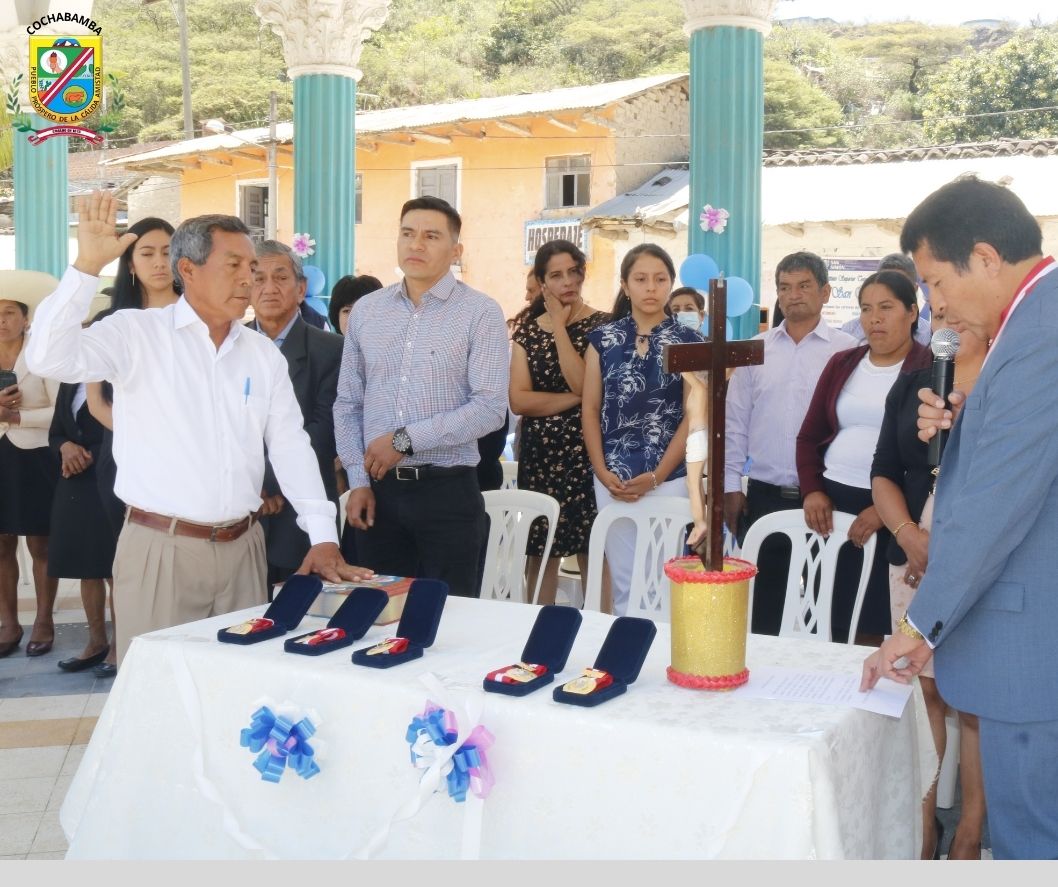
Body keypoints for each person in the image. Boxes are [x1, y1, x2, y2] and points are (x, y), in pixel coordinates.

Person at [26, 191, 371, 665]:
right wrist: (85, 268)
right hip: (161, 551)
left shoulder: (261, 354)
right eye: (234, 265)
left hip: (245, 550)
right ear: (187, 270)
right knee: (159, 698)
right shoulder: (137, 334)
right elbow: (48, 356)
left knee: (239, 690)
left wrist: (321, 534)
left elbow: (290, 445)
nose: (248, 278)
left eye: (251, 266)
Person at [861, 176, 1058, 860]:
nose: (935, 303)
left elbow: (999, 505)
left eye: (935, 281)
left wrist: (919, 622)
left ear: (983, 256)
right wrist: (966, 421)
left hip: (1036, 648)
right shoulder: (1034, 320)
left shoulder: (1041, 329)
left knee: (1033, 840)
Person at [334, 196, 509, 598]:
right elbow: (348, 405)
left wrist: (405, 440)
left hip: (447, 493)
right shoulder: (367, 311)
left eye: (431, 236)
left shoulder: (480, 313)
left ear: (456, 250)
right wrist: (358, 482)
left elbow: (489, 409)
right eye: (408, 234)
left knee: (450, 621)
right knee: (377, 616)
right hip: (378, 496)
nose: (416, 245)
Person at [871, 306, 988, 860]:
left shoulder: (1003, 382)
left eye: (955, 303)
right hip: (912, 553)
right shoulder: (916, 383)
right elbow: (884, 471)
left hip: (982, 564)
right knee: (925, 692)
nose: (948, 314)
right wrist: (911, 535)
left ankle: (970, 827)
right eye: (938, 307)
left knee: (974, 697)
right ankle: (922, 826)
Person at [725, 252, 857, 635]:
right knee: (764, 611)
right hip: (764, 496)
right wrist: (731, 487)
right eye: (784, 287)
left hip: (827, 496)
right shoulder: (755, 349)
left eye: (803, 286)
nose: (793, 295)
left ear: (826, 292)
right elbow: (735, 422)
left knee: (827, 606)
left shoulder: (847, 351)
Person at [796, 270, 929, 644]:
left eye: (886, 307)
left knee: (877, 625)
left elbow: (929, 461)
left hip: (895, 511)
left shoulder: (930, 369)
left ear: (912, 312)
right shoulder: (843, 363)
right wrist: (812, 491)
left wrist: (885, 513)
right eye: (867, 309)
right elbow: (808, 436)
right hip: (831, 509)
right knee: (831, 619)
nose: (875, 318)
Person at [582, 244, 701, 616]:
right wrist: (601, 472)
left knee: (664, 581)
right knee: (624, 583)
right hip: (613, 479)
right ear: (625, 284)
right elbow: (590, 408)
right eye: (641, 279)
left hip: (668, 479)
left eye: (660, 279)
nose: (651, 287)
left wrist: (658, 475)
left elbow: (693, 416)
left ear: (670, 285)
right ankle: (627, 661)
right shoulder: (602, 340)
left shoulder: (690, 342)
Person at [509, 240, 606, 604]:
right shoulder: (528, 333)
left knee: (593, 549)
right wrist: (579, 400)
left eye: (573, 272)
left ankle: (600, 634)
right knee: (541, 550)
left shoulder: (603, 326)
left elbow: (583, 381)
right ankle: (538, 637)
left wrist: (562, 329)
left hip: (587, 455)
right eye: (556, 275)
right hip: (541, 457)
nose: (567, 281)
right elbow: (519, 400)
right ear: (542, 281)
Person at [250, 240, 345, 586]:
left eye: (280, 277)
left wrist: (272, 485)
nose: (269, 288)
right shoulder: (230, 346)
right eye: (257, 279)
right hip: (245, 509)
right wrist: (254, 486)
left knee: (298, 619)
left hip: (302, 514)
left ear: (301, 288)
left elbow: (324, 430)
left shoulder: (331, 349)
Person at [0, 286, 60, 658]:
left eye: (9, 312)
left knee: (41, 543)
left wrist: (16, 416)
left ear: (25, 318)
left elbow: (62, 411)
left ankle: (44, 620)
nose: (2, 321)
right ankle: (8, 620)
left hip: (35, 456)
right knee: (1, 543)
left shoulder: (42, 354)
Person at [48, 374, 116, 674]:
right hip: (75, 479)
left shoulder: (119, 377)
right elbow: (57, 431)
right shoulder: (71, 380)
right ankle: (96, 642)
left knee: (116, 567)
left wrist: (89, 454)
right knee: (87, 567)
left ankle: (120, 646)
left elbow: (129, 428)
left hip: (111, 476)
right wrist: (65, 448)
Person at [841, 253, 931, 345]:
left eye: (898, 285)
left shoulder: (929, 336)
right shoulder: (849, 332)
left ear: (914, 288)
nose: (889, 291)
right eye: (884, 284)